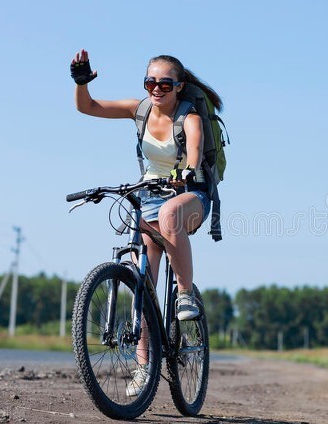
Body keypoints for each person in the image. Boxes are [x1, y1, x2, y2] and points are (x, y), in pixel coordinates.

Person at [71, 49, 222, 396]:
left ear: (179, 86)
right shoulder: (138, 110)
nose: (156, 89)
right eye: (150, 82)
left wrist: (186, 169)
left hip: (190, 196)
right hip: (149, 196)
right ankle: (144, 366)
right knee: (144, 287)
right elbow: (87, 107)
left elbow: (195, 152)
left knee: (170, 216)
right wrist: (80, 83)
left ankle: (185, 295)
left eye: (164, 84)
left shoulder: (190, 118)